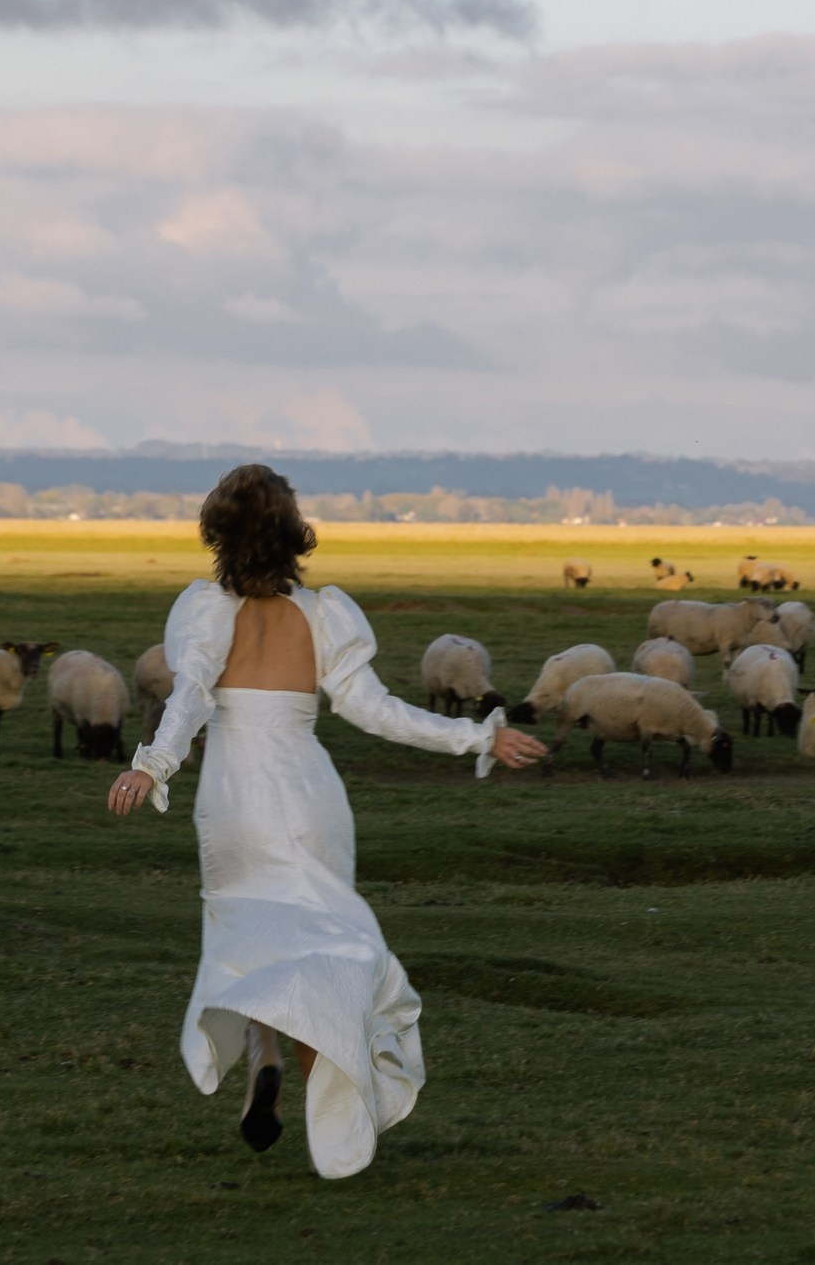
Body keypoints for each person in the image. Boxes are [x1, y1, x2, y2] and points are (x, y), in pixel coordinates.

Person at [107, 463, 546, 1177]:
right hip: (310, 792)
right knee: (322, 945)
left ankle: (278, 1060)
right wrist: (476, 736)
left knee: (253, 937)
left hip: (234, 796)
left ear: (217, 533)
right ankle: (311, 1086)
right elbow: (377, 711)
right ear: (294, 534)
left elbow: (188, 696)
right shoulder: (324, 615)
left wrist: (149, 765)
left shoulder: (203, 608)